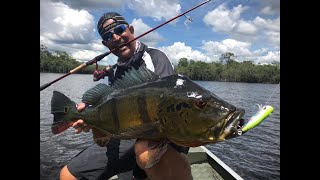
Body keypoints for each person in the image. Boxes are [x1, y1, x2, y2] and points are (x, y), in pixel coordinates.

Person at [59, 12, 193, 180]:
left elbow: (171, 108)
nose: (115, 37)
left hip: (162, 132)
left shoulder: (155, 58)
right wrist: (92, 121)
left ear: (131, 29)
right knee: (68, 175)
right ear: (105, 44)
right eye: (108, 36)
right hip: (126, 133)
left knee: (143, 152)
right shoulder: (115, 71)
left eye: (120, 30)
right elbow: (109, 113)